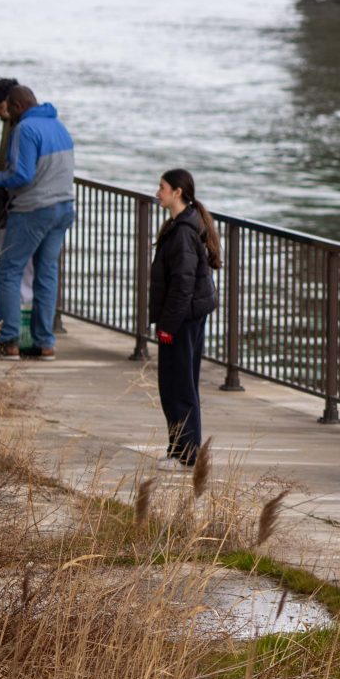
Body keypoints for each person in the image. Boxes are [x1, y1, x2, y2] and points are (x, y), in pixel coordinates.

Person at [0, 87, 75, 360]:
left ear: (18, 106)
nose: (9, 115)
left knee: (9, 271)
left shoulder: (26, 129)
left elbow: (22, 175)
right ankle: (45, 344)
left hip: (33, 210)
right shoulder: (59, 127)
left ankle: (9, 343)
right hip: (64, 208)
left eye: (9, 109)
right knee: (46, 274)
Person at [148, 170, 220, 469]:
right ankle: (180, 450)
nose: (157, 192)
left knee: (178, 386)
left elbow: (182, 285)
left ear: (177, 192)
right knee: (180, 383)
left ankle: (186, 454)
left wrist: (167, 326)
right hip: (187, 316)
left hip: (182, 319)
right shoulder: (184, 224)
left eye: (162, 188)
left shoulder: (182, 233)